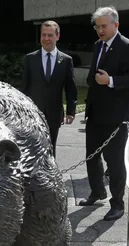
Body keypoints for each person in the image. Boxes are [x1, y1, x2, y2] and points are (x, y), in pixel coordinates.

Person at [79, 6, 129, 222]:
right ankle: (97, 192)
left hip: (116, 116)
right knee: (91, 157)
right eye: (97, 27)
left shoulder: (128, 47)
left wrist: (111, 81)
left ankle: (117, 204)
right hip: (95, 112)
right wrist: (93, 81)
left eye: (104, 26)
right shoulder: (98, 46)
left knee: (114, 161)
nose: (100, 31)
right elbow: (93, 75)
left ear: (116, 25)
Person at [21, 20, 77, 157]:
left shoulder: (66, 60)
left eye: (50, 35)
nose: (46, 39)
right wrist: (21, 111)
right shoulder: (30, 59)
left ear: (57, 36)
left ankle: (50, 177)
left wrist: (71, 111)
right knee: (32, 149)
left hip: (54, 114)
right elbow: (24, 87)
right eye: (43, 35)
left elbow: (70, 88)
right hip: (32, 114)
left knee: (50, 149)